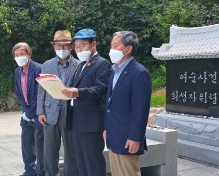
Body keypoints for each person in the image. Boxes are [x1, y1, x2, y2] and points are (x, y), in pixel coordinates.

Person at [61, 28, 111, 176]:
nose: (78, 50)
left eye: (82, 46)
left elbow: (101, 89)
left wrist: (78, 92)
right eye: (76, 47)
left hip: (91, 123)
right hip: (77, 121)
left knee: (93, 163)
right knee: (81, 163)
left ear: (93, 44)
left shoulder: (102, 64)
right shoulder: (81, 65)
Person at [103, 31, 152, 176]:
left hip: (127, 138)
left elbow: (140, 109)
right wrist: (106, 128)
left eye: (115, 46)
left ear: (128, 49)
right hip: (114, 135)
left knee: (128, 173)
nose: (111, 50)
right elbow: (110, 103)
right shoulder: (114, 71)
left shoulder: (139, 73)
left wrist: (135, 137)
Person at [36, 30, 79, 176]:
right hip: (50, 114)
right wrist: (40, 111)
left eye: (65, 46)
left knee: (71, 151)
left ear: (71, 47)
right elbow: (41, 90)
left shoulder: (79, 65)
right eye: (58, 46)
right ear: (54, 46)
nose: (62, 49)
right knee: (49, 151)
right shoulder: (47, 65)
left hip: (70, 114)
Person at [13, 42, 45, 176]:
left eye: (22, 54)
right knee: (26, 145)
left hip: (39, 114)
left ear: (29, 54)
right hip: (26, 113)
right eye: (16, 55)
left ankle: (41, 172)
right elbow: (18, 92)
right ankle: (29, 171)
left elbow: (40, 93)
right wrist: (26, 112)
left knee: (39, 145)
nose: (19, 57)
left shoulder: (39, 68)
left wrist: (31, 112)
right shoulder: (17, 71)